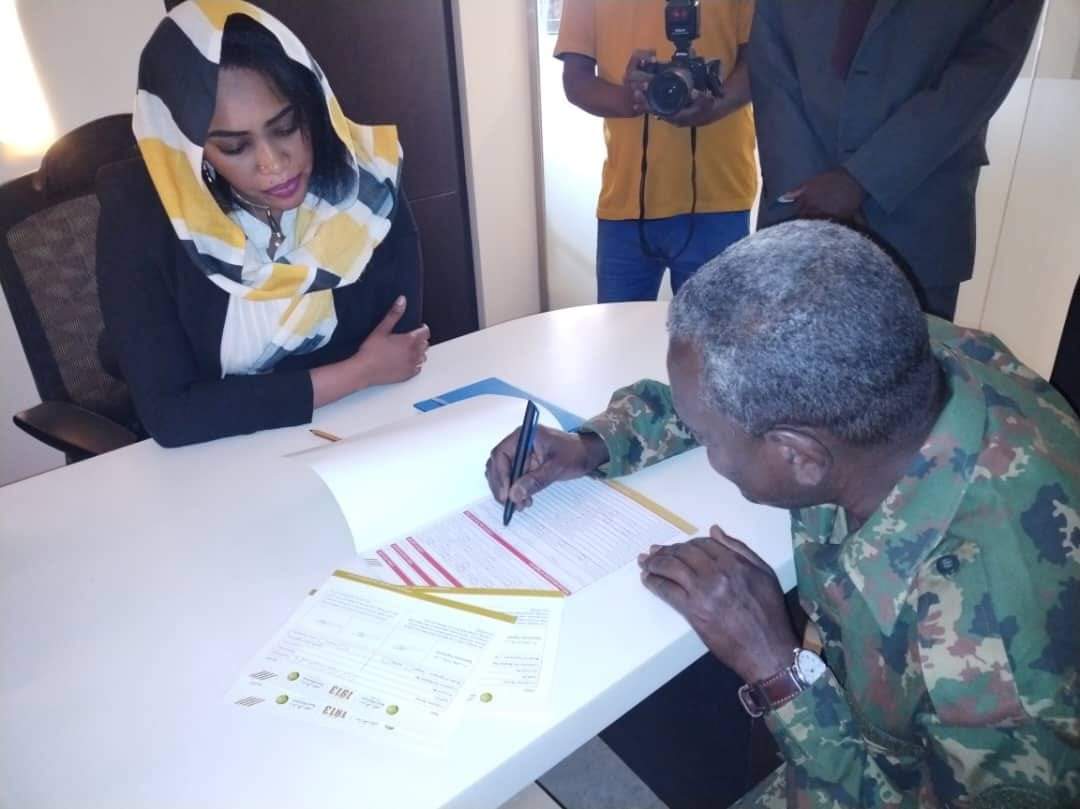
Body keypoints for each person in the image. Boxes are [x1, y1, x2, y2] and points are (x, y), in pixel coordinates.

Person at [486, 221, 1080, 806]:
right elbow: (737, 395)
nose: (702, 439)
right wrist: (592, 445)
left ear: (799, 457)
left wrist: (777, 670)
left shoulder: (987, 659)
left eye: (707, 437)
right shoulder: (908, 355)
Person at [97, 0, 429, 447]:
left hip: (350, 432)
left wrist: (256, 398)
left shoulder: (366, 186)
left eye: (286, 126)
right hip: (213, 459)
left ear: (313, 106)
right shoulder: (141, 217)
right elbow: (172, 415)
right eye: (235, 147)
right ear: (192, 149)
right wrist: (358, 372)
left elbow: (400, 343)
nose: (273, 164)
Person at [748, 0, 1044, 320]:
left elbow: (979, 79)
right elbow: (770, 63)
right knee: (775, 348)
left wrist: (863, 178)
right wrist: (806, 189)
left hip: (914, 217)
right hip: (797, 206)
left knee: (908, 350)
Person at [555, 0, 757, 302]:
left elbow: (760, 63)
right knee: (619, 329)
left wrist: (714, 106)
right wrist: (629, 100)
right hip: (626, 200)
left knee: (714, 332)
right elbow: (576, 81)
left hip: (719, 196)